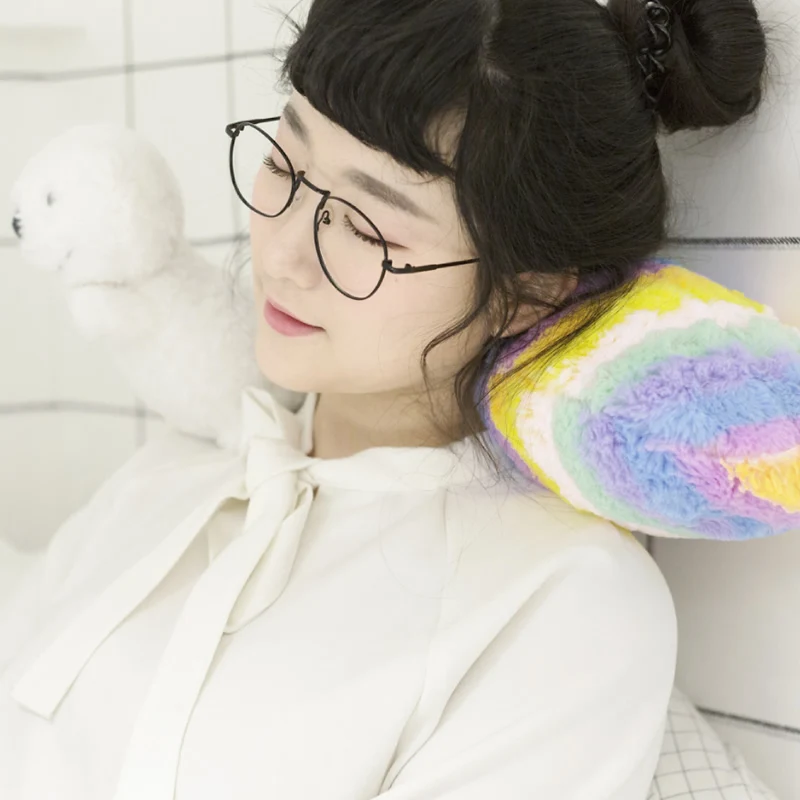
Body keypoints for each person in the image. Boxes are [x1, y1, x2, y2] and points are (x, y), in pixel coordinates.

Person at [0, 0, 768, 797]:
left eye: (367, 230)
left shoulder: (561, 607)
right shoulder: (171, 473)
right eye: (285, 164)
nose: (284, 252)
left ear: (529, 291)